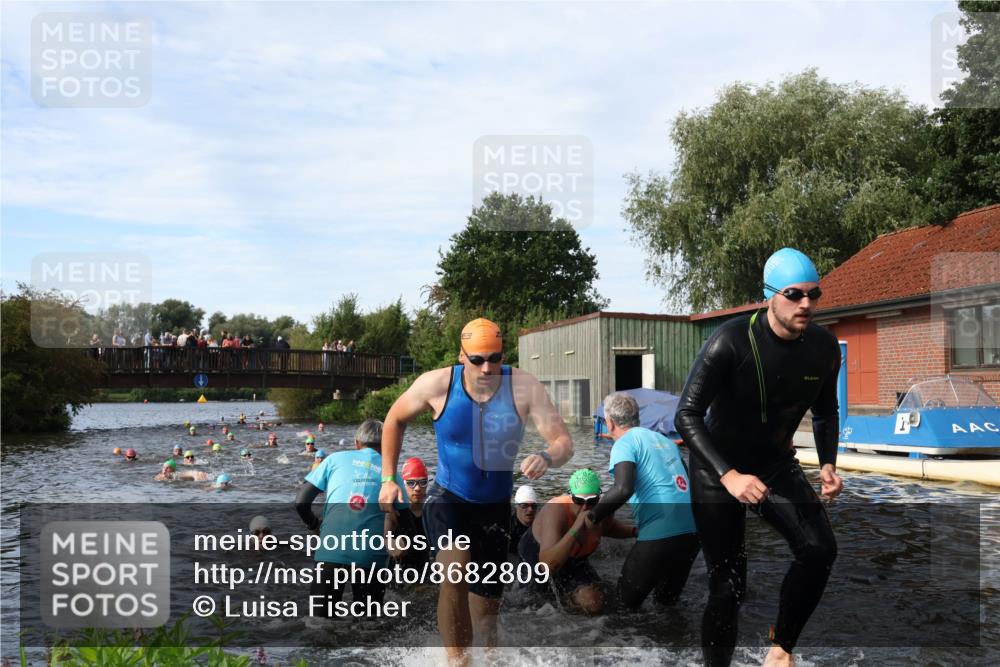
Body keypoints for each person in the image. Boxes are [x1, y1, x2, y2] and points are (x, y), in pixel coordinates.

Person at [674, 247, 843, 667]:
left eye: (814, 294)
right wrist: (729, 475)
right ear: (770, 295)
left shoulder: (823, 348)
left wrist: (827, 464)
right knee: (728, 587)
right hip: (717, 467)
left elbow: (825, 411)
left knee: (819, 549)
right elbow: (686, 415)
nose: (807, 304)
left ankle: (780, 649)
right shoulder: (731, 341)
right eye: (794, 294)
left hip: (772, 461)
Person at [379, 317, 573, 664]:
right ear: (461, 356)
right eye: (477, 359)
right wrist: (388, 478)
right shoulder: (437, 384)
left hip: (495, 507)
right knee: (455, 570)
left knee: (487, 621)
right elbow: (394, 419)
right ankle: (457, 661)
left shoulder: (523, 387)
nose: (487, 367)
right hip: (449, 499)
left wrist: (547, 455)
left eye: (495, 358)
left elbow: (563, 442)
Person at [588, 393, 700, 610]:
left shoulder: (624, 443)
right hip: (692, 532)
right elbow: (687, 485)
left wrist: (593, 516)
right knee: (666, 606)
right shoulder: (666, 442)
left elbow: (622, 489)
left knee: (622, 607)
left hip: (661, 533)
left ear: (609, 422)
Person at [295, 419, 407, 617]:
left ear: (356, 443)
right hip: (371, 555)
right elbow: (407, 521)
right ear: (386, 445)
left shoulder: (333, 460)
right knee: (368, 625)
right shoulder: (392, 475)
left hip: (331, 550)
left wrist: (314, 525)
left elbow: (301, 502)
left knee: (319, 624)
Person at [518, 469, 636, 614]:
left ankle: (570, 601)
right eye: (579, 501)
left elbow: (610, 528)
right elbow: (546, 567)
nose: (585, 507)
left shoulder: (603, 509)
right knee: (532, 605)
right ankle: (566, 597)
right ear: (570, 496)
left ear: (599, 498)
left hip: (574, 559)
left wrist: (634, 532)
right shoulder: (556, 511)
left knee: (594, 603)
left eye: (591, 501)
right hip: (538, 555)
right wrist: (576, 527)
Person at [386, 457, 431, 573]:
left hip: (426, 572)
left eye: (423, 482)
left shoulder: (432, 510)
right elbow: (385, 537)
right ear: (402, 484)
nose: (417, 488)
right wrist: (392, 545)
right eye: (411, 483)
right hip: (401, 573)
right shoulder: (395, 510)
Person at [509, 485, 538, 557]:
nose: (530, 509)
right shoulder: (508, 527)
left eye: (533, 506)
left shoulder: (541, 526)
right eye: (524, 505)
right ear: (516, 506)